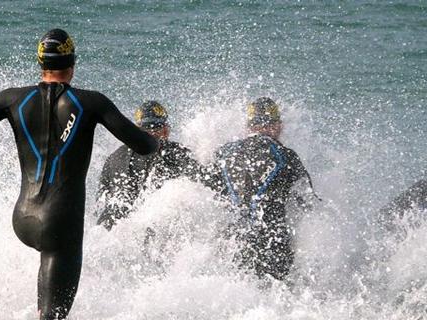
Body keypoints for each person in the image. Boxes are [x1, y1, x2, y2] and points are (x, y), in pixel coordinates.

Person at [0, 29, 158, 320]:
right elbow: (143, 146)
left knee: (47, 300)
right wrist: (156, 139)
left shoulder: (12, 99)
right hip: (60, 224)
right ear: (72, 64)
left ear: (40, 63)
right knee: (54, 319)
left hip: (23, 218)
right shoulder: (91, 103)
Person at [210, 97, 317, 280]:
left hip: (233, 243)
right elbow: (307, 204)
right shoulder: (286, 156)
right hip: (273, 244)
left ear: (249, 127)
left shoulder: (224, 153)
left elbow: (208, 191)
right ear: (278, 126)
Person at [96, 101, 205, 229]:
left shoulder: (113, 158)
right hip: (148, 230)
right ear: (165, 130)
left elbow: (100, 202)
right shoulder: (173, 151)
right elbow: (201, 183)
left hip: (109, 229)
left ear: (136, 127)